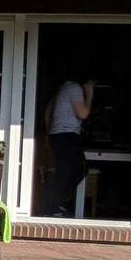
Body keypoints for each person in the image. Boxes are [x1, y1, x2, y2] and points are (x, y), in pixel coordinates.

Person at [45, 72, 95, 217]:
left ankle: (57, 205)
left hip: (58, 135)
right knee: (78, 169)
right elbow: (83, 114)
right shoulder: (74, 89)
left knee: (64, 172)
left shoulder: (62, 88)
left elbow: (48, 111)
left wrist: (49, 134)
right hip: (67, 135)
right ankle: (55, 206)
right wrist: (90, 94)